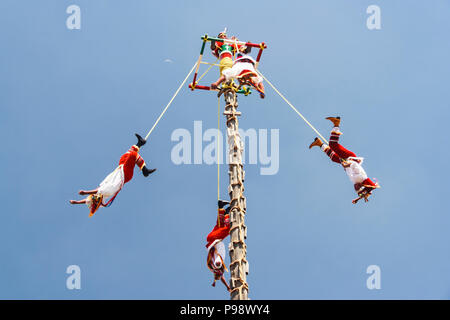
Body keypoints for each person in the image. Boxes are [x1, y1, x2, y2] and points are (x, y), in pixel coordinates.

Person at [70, 134, 156, 216]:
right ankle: (145, 170)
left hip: (120, 171)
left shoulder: (101, 195)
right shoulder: (105, 192)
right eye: (94, 199)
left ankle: (140, 143)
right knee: (133, 155)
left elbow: (87, 200)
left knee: (124, 157)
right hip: (124, 175)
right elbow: (98, 191)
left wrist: (76, 202)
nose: (93, 197)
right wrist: (85, 192)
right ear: (97, 202)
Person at [309, 117, 379, 204]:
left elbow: (368, 191)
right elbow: (355, 165)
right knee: (333, 145)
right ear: (361, 186)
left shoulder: (355, 181)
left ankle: (319, 143)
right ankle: (336, 123)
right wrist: (347, 164)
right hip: (349, 158)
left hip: (345, 161)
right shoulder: (360, 178)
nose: (355, 189)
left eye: (356, 190)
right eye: (358, 189)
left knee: (334, 158)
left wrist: (357, 199)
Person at [206, 200, 231, 291]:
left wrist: (218, 269)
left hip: (214, 240)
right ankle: (221, 206)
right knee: (220, 225)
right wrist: (228, 287)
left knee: (228, 229)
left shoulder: (217, 264)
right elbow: (222, 278)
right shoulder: (213, 266)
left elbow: (218, 268)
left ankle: (228, 211)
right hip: (211, 238)